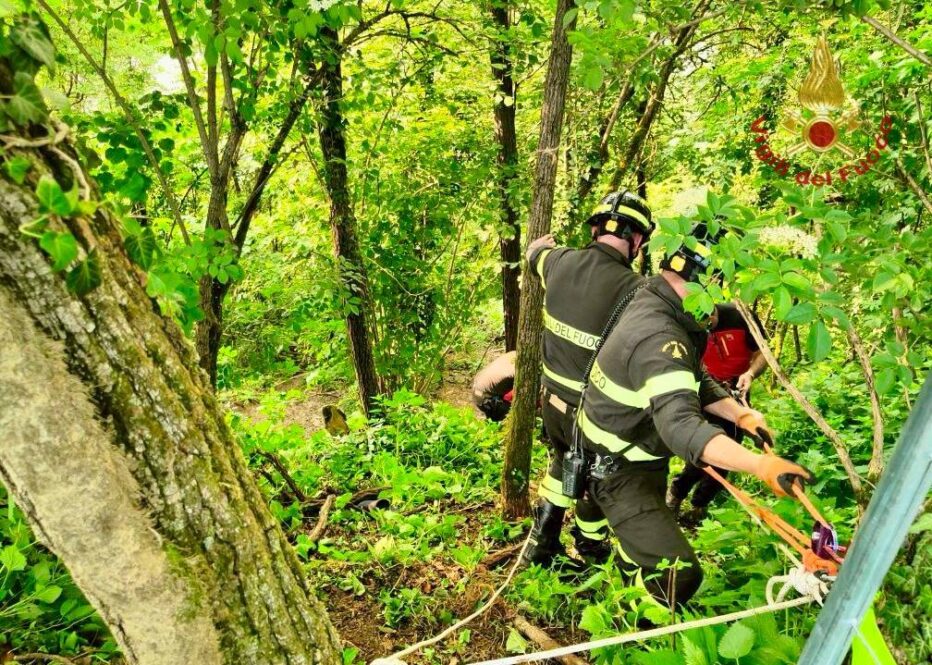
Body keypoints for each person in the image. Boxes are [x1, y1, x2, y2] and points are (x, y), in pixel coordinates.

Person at [577, 221, 813, 609]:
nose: (722, 302)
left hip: (627, 450)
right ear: (706, 278)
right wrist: (760, 466)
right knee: (680, 576)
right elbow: (681, 426)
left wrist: (740, 416)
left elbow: (693, 377)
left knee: (636, 536)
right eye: (722, 284)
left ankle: (623, 559)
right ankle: (634, 614)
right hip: (619, 469)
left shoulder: (657, 299)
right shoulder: (659, 336)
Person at [521, 190, 653, 567]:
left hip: (552, 403)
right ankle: (591, 545)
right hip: (595, 412)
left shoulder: (558, 262)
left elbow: (534, 255)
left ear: (595, 229)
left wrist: (539, 247)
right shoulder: (640, 293)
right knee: (600, 477)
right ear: (637, 239)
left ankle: (541, 543)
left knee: (563, 459)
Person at [666, 302, 769, 523]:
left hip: (737, 389)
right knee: (706, 447)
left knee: (729, 451)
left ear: (713, 312)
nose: (705, 329)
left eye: (708, 323)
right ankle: (676, 493)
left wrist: (749, 374)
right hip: (706, 390)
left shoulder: (740, 316)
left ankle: (699, 505)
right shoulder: (686, 322)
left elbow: (763, 352)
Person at [472, 351, 516, 422]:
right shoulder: (517, 372)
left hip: (476, 391)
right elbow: (509, 397)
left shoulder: (513, 354)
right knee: (515, 412)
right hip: (487, 400)